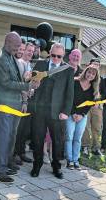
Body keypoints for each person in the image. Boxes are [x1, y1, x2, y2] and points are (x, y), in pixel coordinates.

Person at [0, 32, 38, 183]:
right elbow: (5, 83)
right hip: (3, 104)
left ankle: (1, 163)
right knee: (3, 137)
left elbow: (16, 78)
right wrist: (27, 85)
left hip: (14, 104)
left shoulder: (11, 57)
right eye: (17, 46)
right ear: (8, 42)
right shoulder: (0, 59)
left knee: (9, 136)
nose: (19, 49)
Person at [31, 43, 74, 179]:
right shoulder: (40, 65)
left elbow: (69, 93)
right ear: (50, 53)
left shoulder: (68, 70)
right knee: (37, 139)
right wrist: (33, 85)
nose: (56, 58)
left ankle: (56, 167)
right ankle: (37, 165)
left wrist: (66, 112)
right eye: (53, 55)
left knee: (58, 141)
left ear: (63, 56)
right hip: (40, 109)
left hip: (57, 112)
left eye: (59, 56)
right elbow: (32, 84)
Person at [65, 65, 101, 170]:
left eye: (93, 74)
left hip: (82, 116)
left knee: (77, 139)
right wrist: (73, 113)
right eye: (89, 72)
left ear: (95, 77)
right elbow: (69, 98)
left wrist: (81, 115)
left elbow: (89, 105)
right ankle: (69, 160)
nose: (90, 75)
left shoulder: (93, 89)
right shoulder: (75, 82)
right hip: (71, 113)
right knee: (69, 137)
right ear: (85, 72)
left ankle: (76, 160)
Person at [14, 42, 35, 164]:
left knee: (25, 130)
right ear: (23, 50)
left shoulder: (30, 66)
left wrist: (32, 89)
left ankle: (22, 152)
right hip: (21, 101)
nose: (30, 53)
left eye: (32, 51)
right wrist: (24, 100)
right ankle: (15, 153)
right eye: (28, 50)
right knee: (18, 129)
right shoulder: (19, 63)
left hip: (28, 101)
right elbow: (20, 84)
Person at [81, 58, 106, 157]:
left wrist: (98, 101)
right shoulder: (85, 78)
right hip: (86, 106)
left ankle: (96, 148)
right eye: (94, 64)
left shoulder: (101, 79)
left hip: (97, 106)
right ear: (89, 65)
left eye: (97, 65)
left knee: (96, 127)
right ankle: (85, 146)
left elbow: (104, 93)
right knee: (86, 127)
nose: (96, 66)